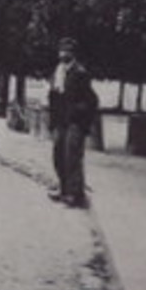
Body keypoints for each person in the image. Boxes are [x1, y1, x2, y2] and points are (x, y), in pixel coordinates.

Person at [47, 37, 99, 207]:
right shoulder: (58, 72)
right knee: (58, 155)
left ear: (73, 54)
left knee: (72, 156)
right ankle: (63, 189)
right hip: (60, 121)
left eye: (67, 51)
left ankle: (75, 194)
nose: (63, 54)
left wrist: (78, 113)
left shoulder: (80, 73)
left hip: (75, 122)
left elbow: (91, 101)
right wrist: (52, 121)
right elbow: (53, 98)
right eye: (61, 50)